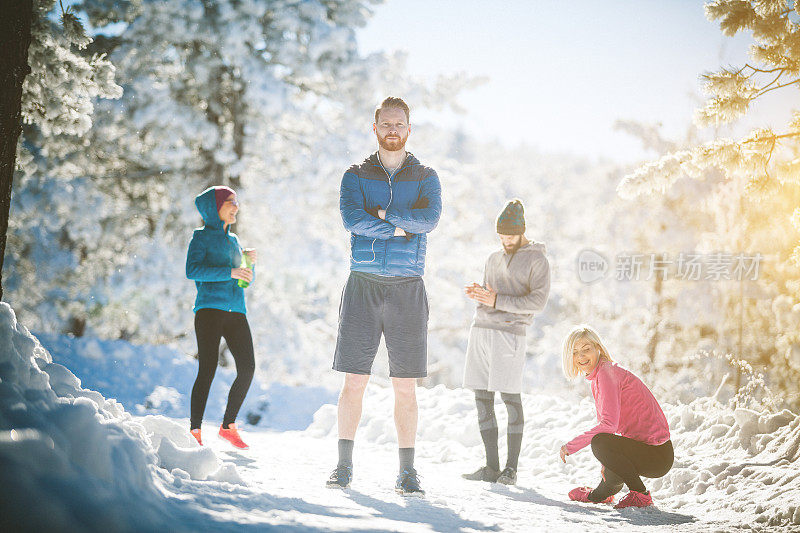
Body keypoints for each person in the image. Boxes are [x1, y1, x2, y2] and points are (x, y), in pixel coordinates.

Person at [326, 97, 442, 496]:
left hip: (408, 288)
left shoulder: (426, 176)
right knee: (354, 382)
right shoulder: (355, 175)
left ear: (409, 129)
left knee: (405, 388)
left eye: (400, 123)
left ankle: (407, 472)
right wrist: (398, 229)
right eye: (386, 123)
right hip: (363, 284)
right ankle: (343, 466)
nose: (393, 129)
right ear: (374, 127)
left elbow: (429, 221)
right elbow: (350, 220)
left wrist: (381, 218)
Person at [461, 199, 551, 485]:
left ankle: (510, 469)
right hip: (482, 330)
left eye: (510, 236)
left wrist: (498, 300)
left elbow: (538, 301)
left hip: (511, 334)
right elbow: (491, 293)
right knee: (481, 397)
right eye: (501, 236)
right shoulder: (493, 258)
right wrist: (481, 293)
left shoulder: (538, 259)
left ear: (522, 231)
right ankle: (491, 467)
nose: (505, 241)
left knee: (510, 397)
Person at [559, 325, 674, 509]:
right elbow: (611, 425)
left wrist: (571, 446)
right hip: (649, 451)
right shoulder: (600, 374)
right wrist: (608, 460)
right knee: (609, 465)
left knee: (600, 442)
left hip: (657, 454)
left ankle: (640, 494)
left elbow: (608, 426)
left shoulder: (606, 373)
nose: (581, 357)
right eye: (574, 352)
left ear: (598, 347)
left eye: (586, 349)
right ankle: (598, 496)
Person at [185, 185, 256, 450]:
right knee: (208, 368)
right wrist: (231, 271)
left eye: (236, 202)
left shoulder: (234, 241)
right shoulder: (200, 237)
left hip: (236, 310)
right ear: (215, 208)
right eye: (230, 202)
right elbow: (192, 270)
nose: (236, 206)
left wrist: (248, 265)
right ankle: (194, 430)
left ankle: (228, 426)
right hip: (209, 310)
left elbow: (243, 282)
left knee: (247, 368)